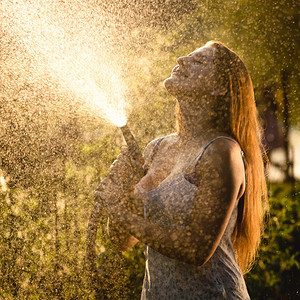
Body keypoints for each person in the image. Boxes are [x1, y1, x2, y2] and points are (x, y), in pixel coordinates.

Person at [95, 41, 268, 299]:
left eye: (198, 62)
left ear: (220, 88)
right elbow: (122, 242)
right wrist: (122, 192)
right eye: (188, 56)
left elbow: (196, 249)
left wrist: (121, 214)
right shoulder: (156, 148)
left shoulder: (222, 152)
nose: (182, 60)